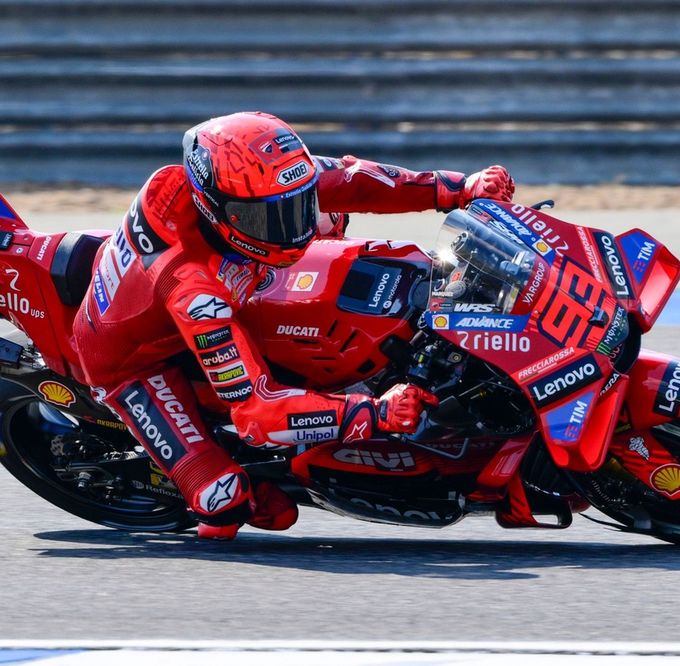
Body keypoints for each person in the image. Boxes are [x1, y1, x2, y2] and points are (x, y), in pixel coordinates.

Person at [72, 111, 515, 539]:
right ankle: (246, 474)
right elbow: (255, 413)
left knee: (344, 237)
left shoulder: (256, 189)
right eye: (269, 218)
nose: (293, 226)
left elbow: (352, 180)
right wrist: (373, 413)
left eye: (295, 205)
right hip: (138, 361)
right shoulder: (194, 290)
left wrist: (458, 188)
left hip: (237, 282)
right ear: (216, 209)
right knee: (225, 501)